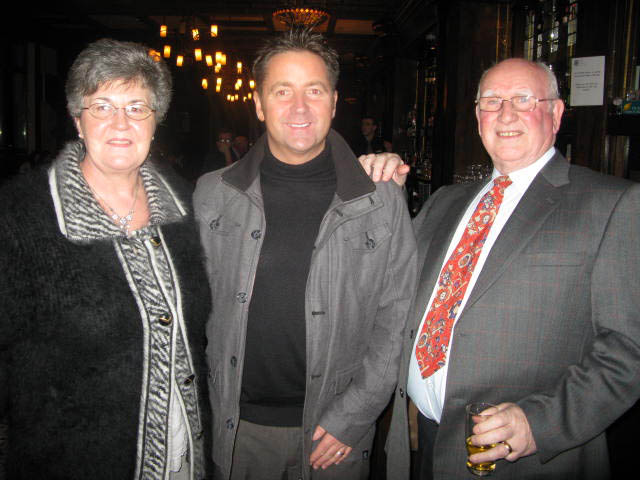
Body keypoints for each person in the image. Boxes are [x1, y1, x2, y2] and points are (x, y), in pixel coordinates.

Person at [374, 58, 640, 479]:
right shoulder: (445, 201)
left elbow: (629, 349)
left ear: (556, 114)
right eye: (491, 101)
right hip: (424, 441)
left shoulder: (613, 204)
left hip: (527, 460)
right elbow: (389, 287)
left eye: (523, 99)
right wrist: (380, 200)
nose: (506, 114)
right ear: (478, 117)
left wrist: (541, 423)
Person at [193, 28, 417, 480]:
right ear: (259, 104)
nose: (299, 107)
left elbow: (398, 318)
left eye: (314, 91)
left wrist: (355, 414)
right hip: (237, 430)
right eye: (282, 91)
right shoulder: (212, 194)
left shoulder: (380, 198)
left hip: (335, 432)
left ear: (333, 103)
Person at [0, 38, 211, 479]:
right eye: (101, 107)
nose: (121, 122)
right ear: (78, 120)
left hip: (182, 455)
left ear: (155, 121)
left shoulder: (185, 205)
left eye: (137, 107)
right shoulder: (19, 216)